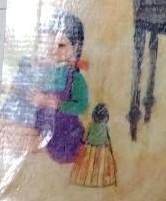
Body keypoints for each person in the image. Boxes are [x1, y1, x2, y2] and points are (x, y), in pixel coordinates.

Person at [33, 12, 89, 163]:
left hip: (66, 134)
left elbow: (82, 105)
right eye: (50, 45)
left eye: (61, 45)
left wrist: (59, 104)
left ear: (75, 47)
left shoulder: (75, 78)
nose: (54, 50)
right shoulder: (46, 73)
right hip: (43, 130)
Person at [70, 102, 117, 187]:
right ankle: (100, 180)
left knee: (88, 164)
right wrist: (109, 146)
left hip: (90, 147)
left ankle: (86, 180)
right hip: (102, 148)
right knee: (100, 164)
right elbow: (108, 138)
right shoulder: (105, 126)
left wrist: (83, 141)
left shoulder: (90, 125)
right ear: (106, 117)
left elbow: (85, 136)